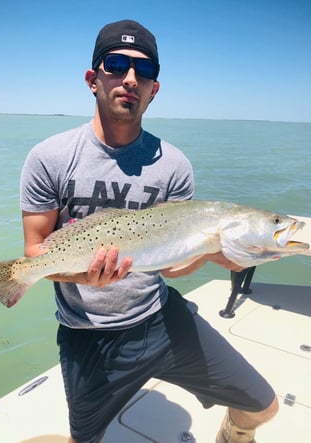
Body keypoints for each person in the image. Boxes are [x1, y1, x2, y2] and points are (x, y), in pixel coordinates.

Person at [20, 19, 278, 443]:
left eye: (145, 71)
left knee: (263, 404)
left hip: (161, 319)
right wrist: (84, 276)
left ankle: (232, 433)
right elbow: (34, 254)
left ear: (154, 88)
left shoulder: (174, 164)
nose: (130, 79)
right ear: (93, 79)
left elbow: (172, 268)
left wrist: (212, 254)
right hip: (89, 336)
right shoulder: (49, 158)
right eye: (116, 64)